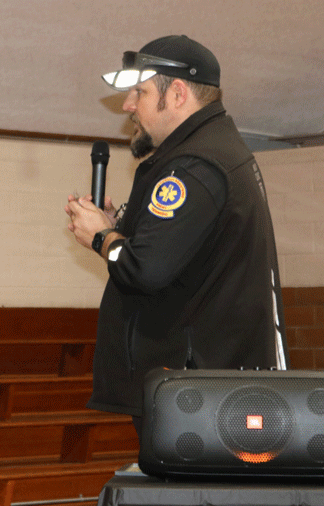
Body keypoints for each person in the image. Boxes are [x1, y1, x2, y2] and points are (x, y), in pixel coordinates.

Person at [64, 35, 288, 437]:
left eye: (140, 92)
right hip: (201, 389)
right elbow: (180, 253)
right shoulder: (212, 150)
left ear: (179, 93)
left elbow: (144, 270)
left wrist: (102, 239)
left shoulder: (195, 166)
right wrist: (117, 227)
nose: (128, 105)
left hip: (194, 395)